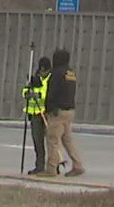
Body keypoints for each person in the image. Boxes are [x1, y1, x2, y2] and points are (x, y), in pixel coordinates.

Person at [35, 47, 84, 177]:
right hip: (69, 111)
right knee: (67, 140)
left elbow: (52, 93)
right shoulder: (71, 73)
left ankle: (51, 169)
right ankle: (78, 165)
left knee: (52, 140)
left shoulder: (56, 73)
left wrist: (47, 109)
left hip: (57, 111)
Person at [22, 56, 51, 175]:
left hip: (46, 113)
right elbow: (25, 91)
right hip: (34, 113)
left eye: (44, 70)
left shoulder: (51, 79)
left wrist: (37, 93)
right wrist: (28, 92)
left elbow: (46, 94)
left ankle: (53, 166)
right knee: (37, 141)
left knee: (51, 141)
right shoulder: (36, 78)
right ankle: (39, 165)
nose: (42, 72)